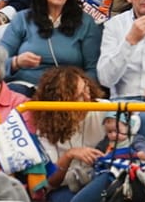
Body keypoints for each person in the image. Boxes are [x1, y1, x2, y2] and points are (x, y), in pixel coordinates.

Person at [0, 0, 104, 90]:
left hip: (68, 92)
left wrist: (77, 88)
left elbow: (93, 70)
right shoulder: (22, 19)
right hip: (26, 87)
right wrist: (16, 62)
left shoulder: (86, 23)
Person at [28, 65, 107, 199]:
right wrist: (69, 155)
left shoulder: (103, 109)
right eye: (80, 96)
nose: (88, 97)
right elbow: (51, 182)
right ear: (63, 103)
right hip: (64, 187)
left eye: (86, 88)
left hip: (97, 180)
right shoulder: (47, 127)